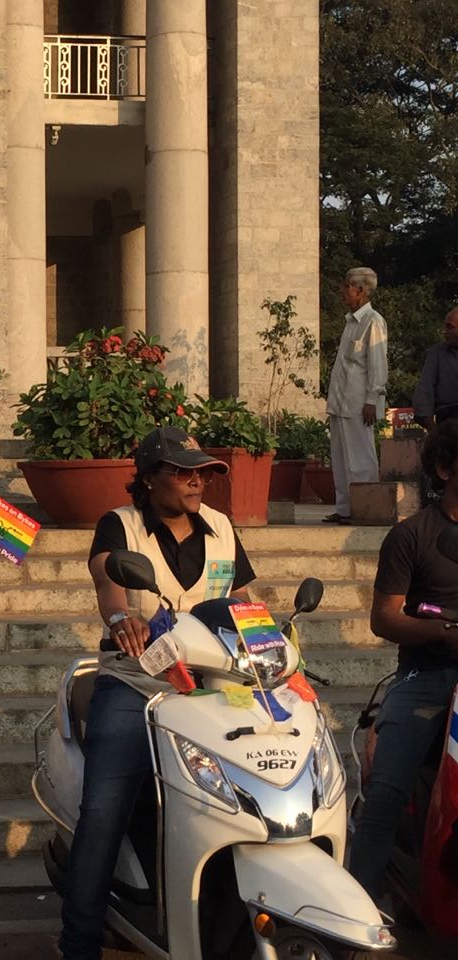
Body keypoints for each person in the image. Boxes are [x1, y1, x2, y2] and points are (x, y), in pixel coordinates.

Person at [59, 426, 256, 960]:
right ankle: (78, 943)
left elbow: (242, 601)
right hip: (138, 683)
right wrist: (122, 618)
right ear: (148, 479)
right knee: (104, 809)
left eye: (202, 473)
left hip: (215, 689)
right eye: (183, 472)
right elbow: (108, 582)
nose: (196, 482)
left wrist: (274, 649)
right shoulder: (118, 525)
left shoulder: (220, 526)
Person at [348, 418, 458, 900]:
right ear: (443, 468)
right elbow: (383, 618)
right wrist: (441, 632)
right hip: (426, 674)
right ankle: (352, 919)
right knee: (385, 795)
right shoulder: (411, 535)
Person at [324, 265, 388, 523]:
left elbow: (377, 365)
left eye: (347, 287)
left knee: (361, 458)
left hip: (359, 403)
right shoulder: (351, 323)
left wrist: (372, 400)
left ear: (360, 290)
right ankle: (345, 509)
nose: (344, 292)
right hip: (340, 401)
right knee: (340, 458)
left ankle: (365, 507)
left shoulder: (373, 321)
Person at [413, 306, 458, 432]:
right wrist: (433, 430)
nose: (445, 332)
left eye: (450, 327)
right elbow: (424, 390)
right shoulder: (437, 353)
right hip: (448, 421)